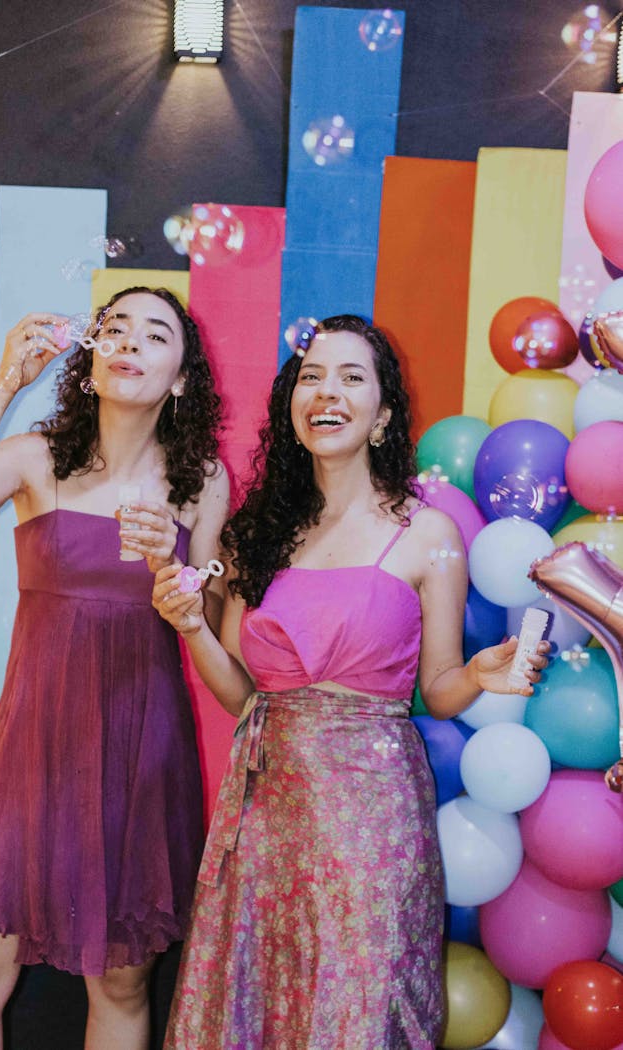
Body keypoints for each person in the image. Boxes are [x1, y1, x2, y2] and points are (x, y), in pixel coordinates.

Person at [152, 314, 548, 1049]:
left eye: (350, 377)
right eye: (311, 376)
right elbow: (246, 699)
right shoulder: (255, 535)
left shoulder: (427, 534)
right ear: (290, 402)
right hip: (264, 817)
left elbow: (438, 687)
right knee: (259, 1009)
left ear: (383, 415)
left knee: (355, 1013)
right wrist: (191, 627)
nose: (326, 392)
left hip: (371, 822)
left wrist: (480, 675)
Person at [0, 287, 229, 1050]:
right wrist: (5, 385)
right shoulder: (37, 457)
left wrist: (178, 574)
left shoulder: (203, 483)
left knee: (123, 981)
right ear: (90, 357)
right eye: (114, 327)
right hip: (32, 747)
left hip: (139, 750)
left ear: (183, 375)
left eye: (155, 334)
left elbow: (212, 627)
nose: (128, 341)